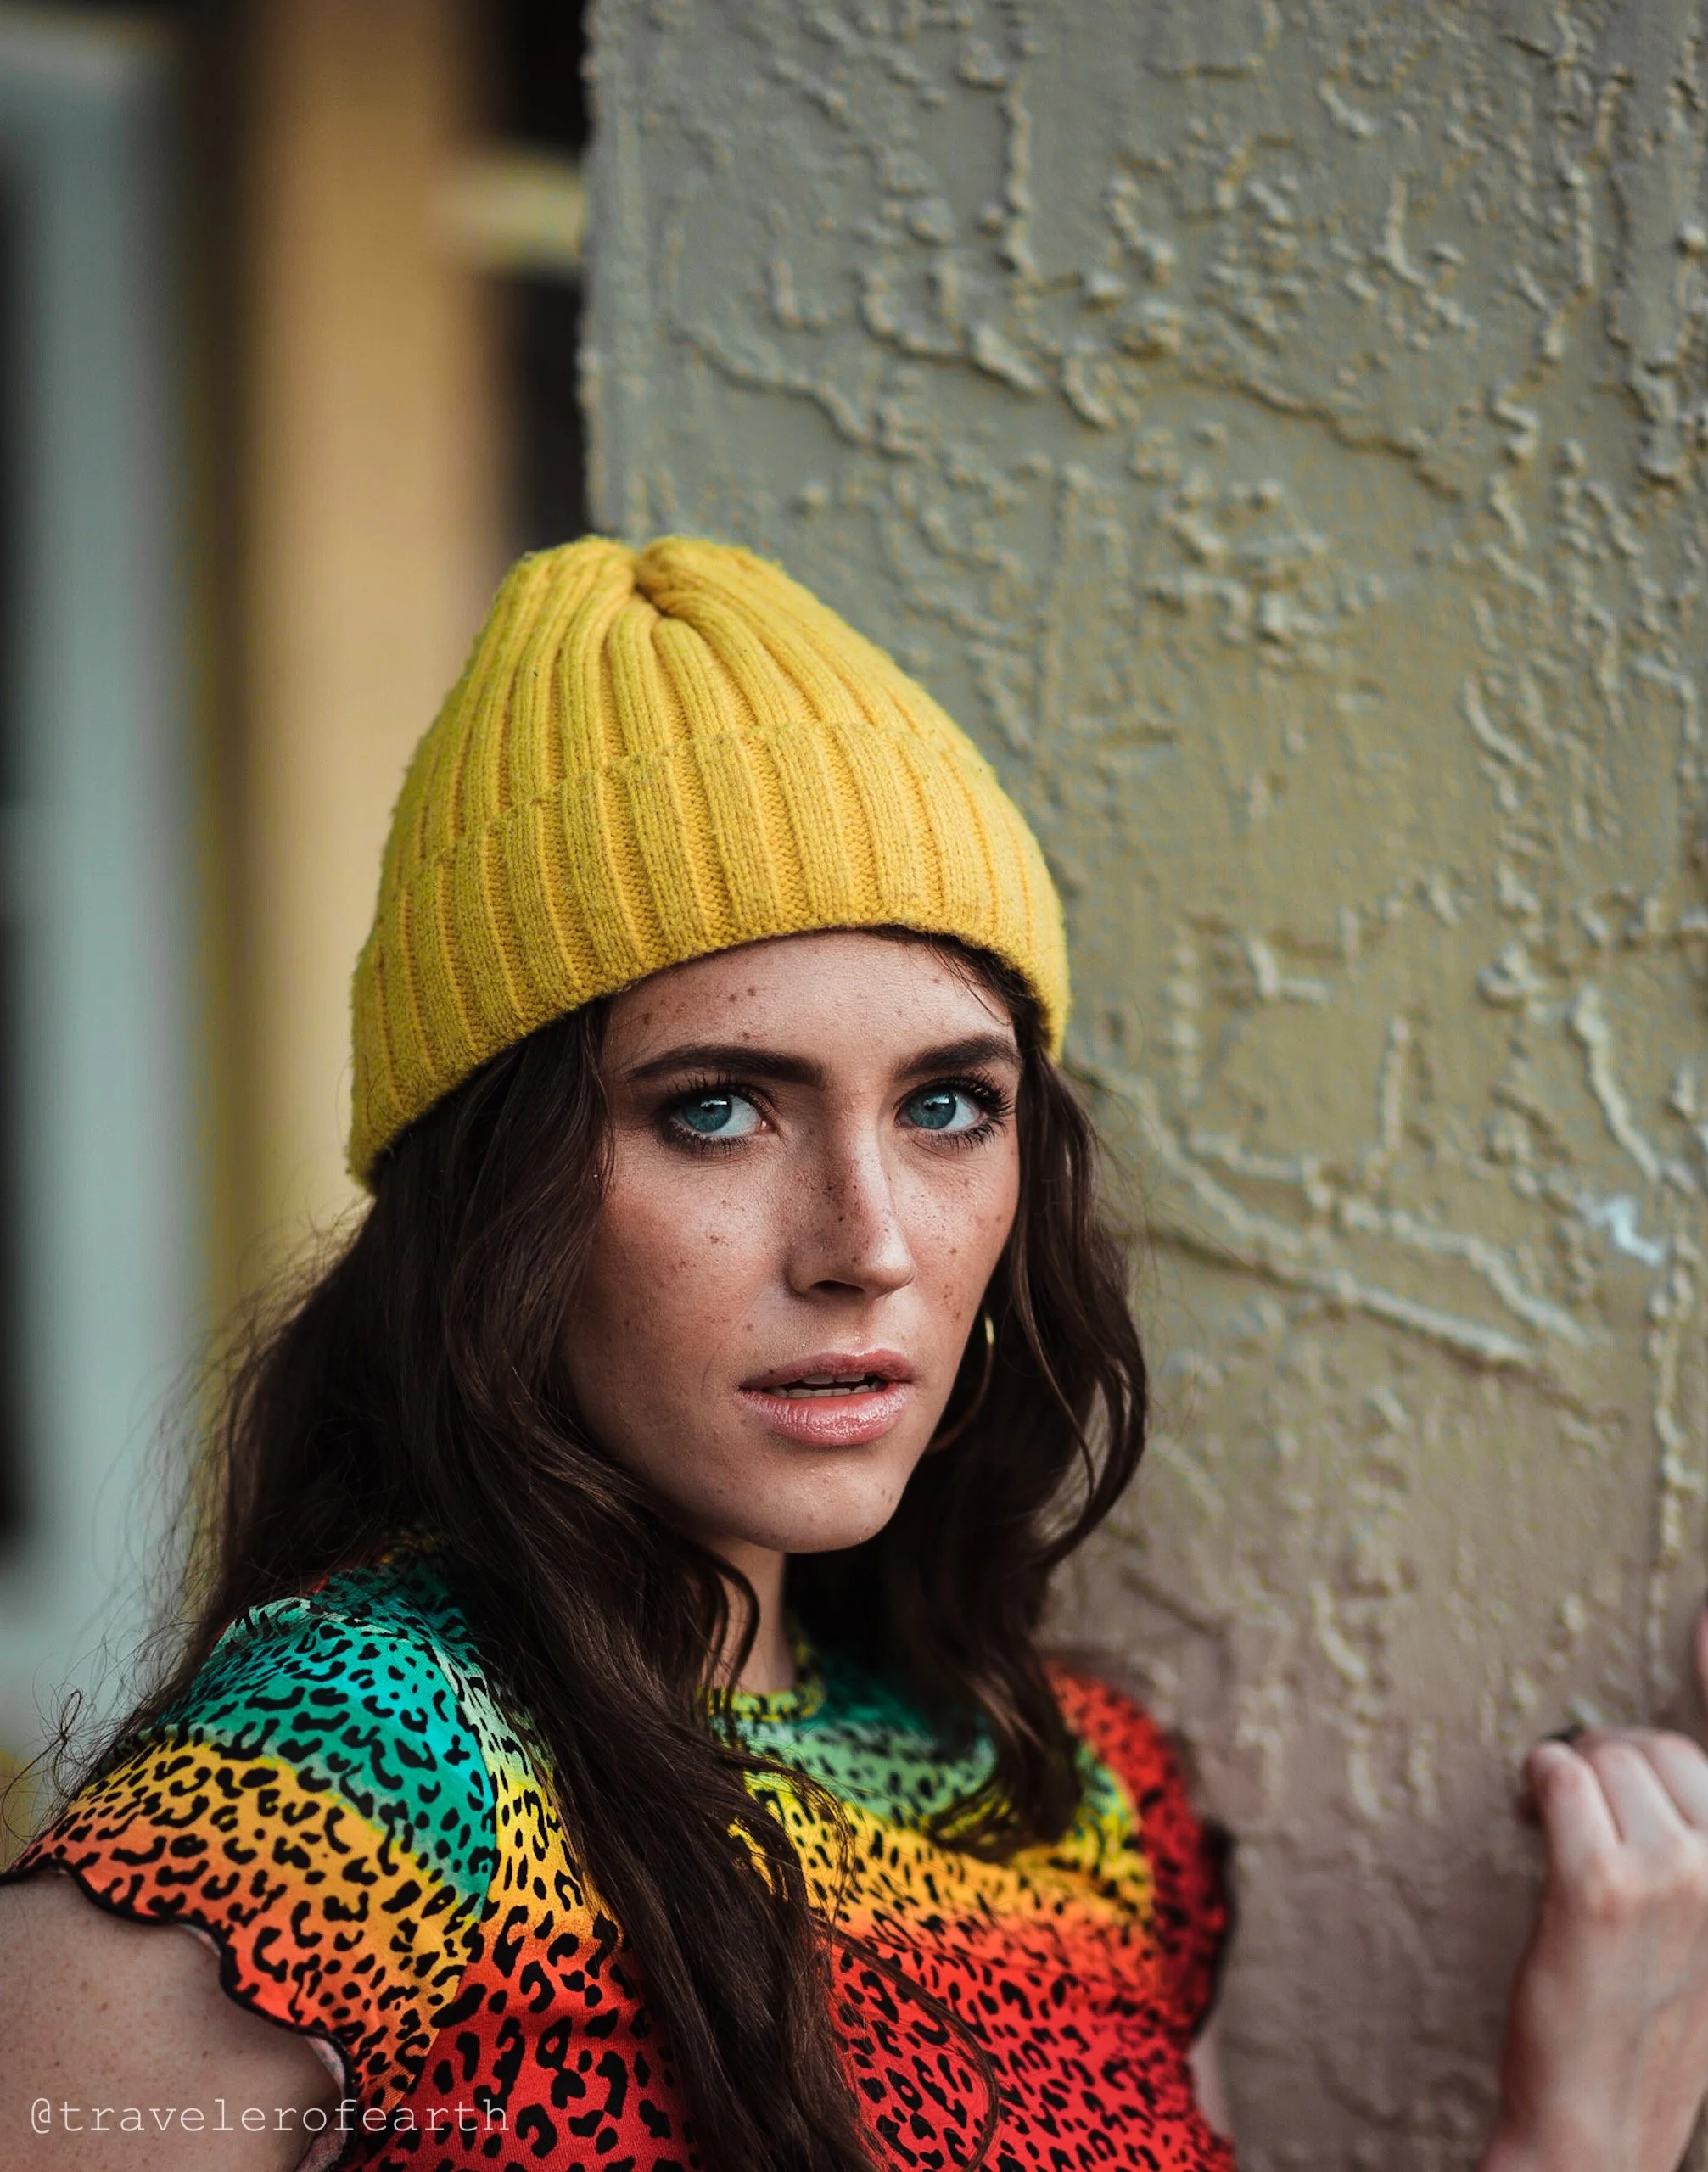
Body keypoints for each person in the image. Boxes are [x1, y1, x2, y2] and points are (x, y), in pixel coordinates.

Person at [2, 537, 1707, 2172]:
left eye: (949, 1102)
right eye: (719, 1108)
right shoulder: (359, 1766)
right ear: (493, 1194)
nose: (869, 1241)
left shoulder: (1072, 1795)